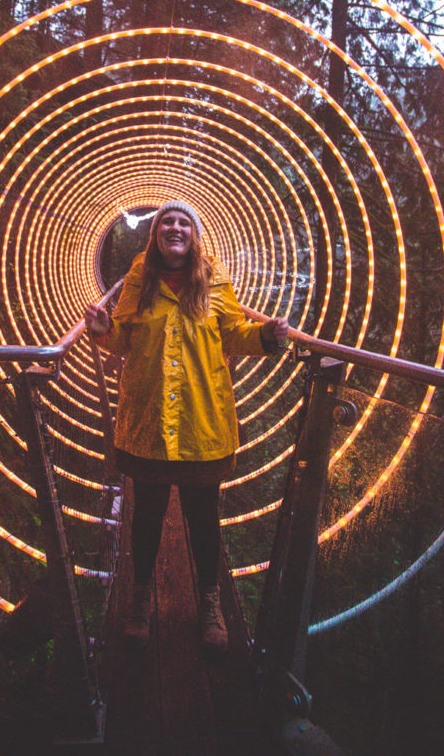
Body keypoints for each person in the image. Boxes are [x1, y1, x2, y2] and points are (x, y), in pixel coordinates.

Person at [85, 200, 290, 654]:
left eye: (184, 223)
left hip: (200, 420)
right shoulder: (139, 281)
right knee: (147, 517)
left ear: (195, 235)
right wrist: (102, 330)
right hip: (149, 419)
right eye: (167, 222)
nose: (175, 227)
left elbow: (234, 332)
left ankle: (210, 604)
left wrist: (265, 336)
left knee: (203, 519)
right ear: (155, 234)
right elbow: (123, 340)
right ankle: (140, 601)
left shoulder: (214, 281)